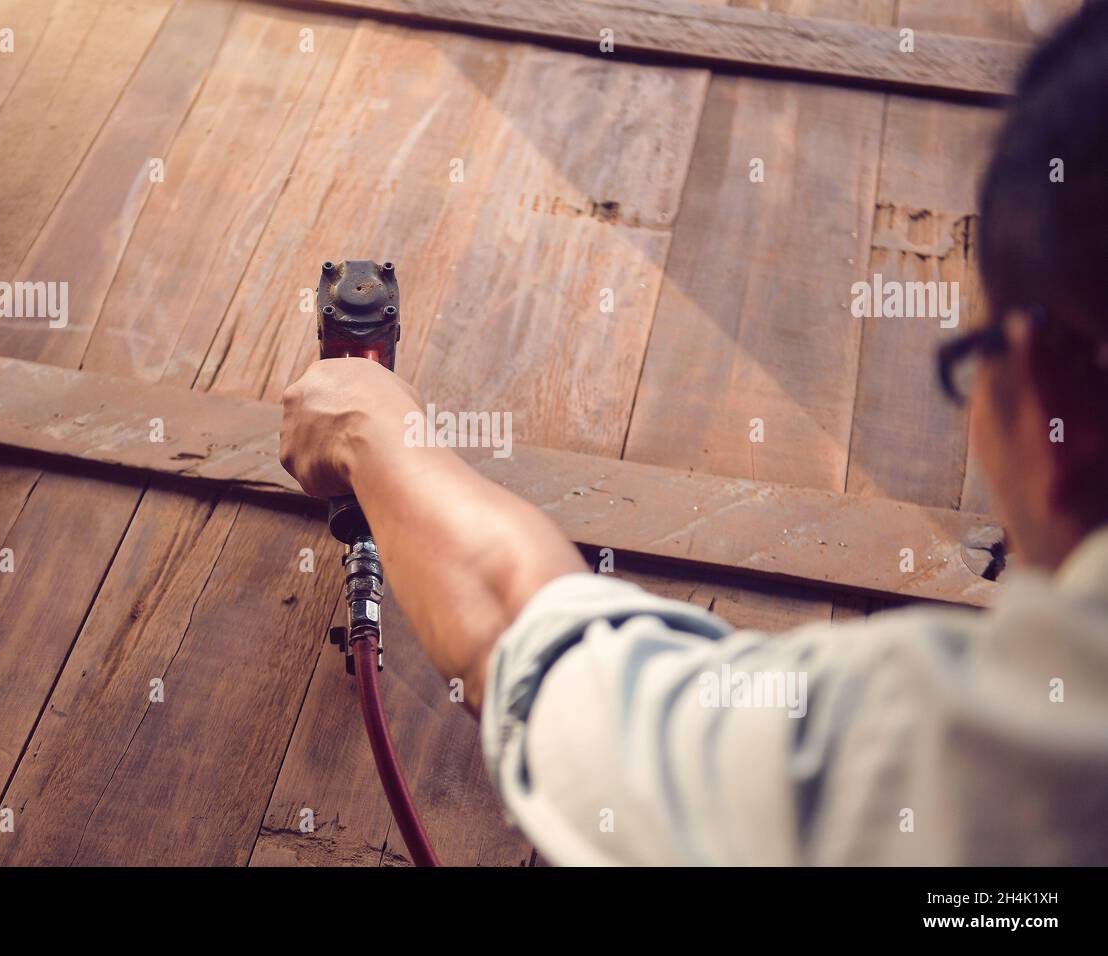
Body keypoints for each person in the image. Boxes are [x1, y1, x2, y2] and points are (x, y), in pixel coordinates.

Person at [278, 4, 1108, 865]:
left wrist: (371, 434)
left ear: (1051, 400)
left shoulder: (984, 762)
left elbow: (548, 668)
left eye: (973, 359)